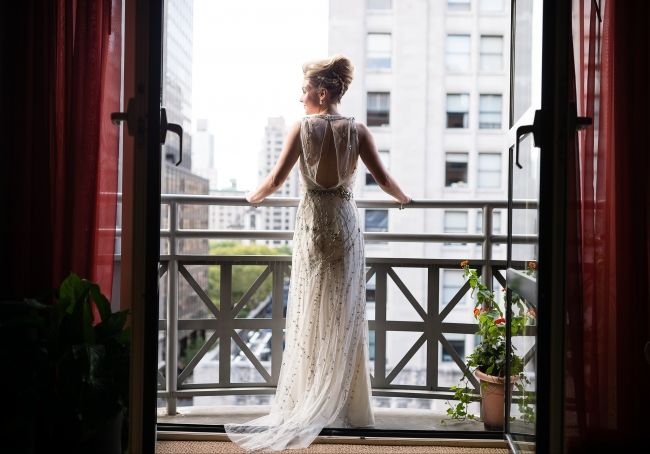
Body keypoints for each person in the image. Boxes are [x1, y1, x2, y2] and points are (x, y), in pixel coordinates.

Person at [224, 54, 411, 452]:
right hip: (343, 224)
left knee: (310, 309)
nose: (300, 97)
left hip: (312, 225)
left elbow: (275, 180)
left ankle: (307, 397)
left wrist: (249, 198)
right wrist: (405, 199)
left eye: (305, 90)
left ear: (321, 93)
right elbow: (383, 179)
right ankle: (346, 404)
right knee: (344, 312)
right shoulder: (358, 131)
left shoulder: (302, 129)